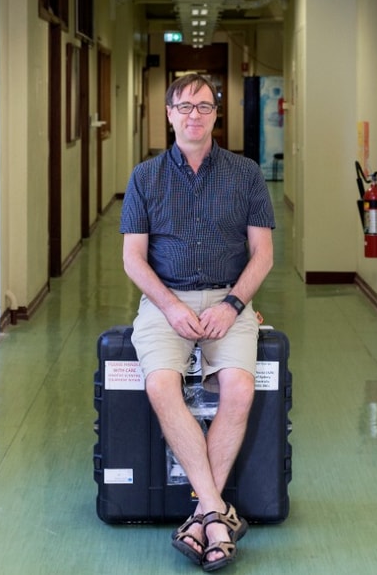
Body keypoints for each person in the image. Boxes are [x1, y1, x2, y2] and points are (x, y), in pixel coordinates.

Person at [120, 73, 275, 571]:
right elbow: (134, 260)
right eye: (183, 106)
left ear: (216, 115)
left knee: (239, 389)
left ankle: (201, 519)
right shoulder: (145, 177)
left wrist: (232, 304)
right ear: (168, 113)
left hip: (228, 300)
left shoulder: (246, 174)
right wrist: (170, 307)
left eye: (203, 106)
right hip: (165, 301)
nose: (193, 115)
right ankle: (215, 512)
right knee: (162, 385)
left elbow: (263, 254)